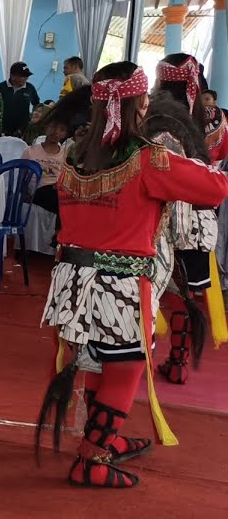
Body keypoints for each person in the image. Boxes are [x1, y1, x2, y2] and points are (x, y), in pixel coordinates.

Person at [39, 60, 228, 488]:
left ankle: (103, 439)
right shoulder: (149, 159)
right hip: (120, 286)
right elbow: (214, 188)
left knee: (98, 362)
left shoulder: (75, 155)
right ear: (141, 104)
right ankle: (92, 458)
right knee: (125, 367)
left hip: (71, 282)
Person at [150, 53, 228, 384]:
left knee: (149, 288)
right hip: (200, 218)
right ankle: (179, 361)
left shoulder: (154, 116)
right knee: (186, 293)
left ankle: (139, 359)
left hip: (160, 216)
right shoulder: (214, 119)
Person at [22, 116, 71, 213]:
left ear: (65, 134)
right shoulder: (30, 151)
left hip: (57, 190)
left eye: (61, 129)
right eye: (53, 126)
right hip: (38, 190)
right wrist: (25, 194)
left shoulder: (65, 154)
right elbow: (21, 177)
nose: (56, 131)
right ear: (46, 127)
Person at [0, 61, 41, 137]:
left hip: (22, 131)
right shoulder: (0, 88)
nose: (25, 79)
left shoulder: (30, 88)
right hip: (1, 129)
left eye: (27, 76)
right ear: (12, 76)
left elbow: (36, 104)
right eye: (23, 76)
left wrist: (34, 117)